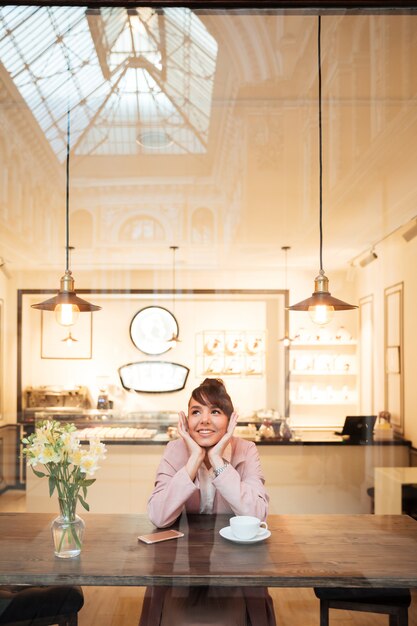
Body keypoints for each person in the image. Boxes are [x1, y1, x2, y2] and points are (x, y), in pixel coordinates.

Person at [139, 378, 276, 626]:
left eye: (215, 411)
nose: (204, 420)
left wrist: (217, 460)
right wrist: (193, 460)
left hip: (237, 564)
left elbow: (257, 515)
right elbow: (159, 516)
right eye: (195, 412)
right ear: (185, 421)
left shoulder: (246, 450)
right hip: (180, 566)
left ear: (230, 420)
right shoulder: (174, 450)